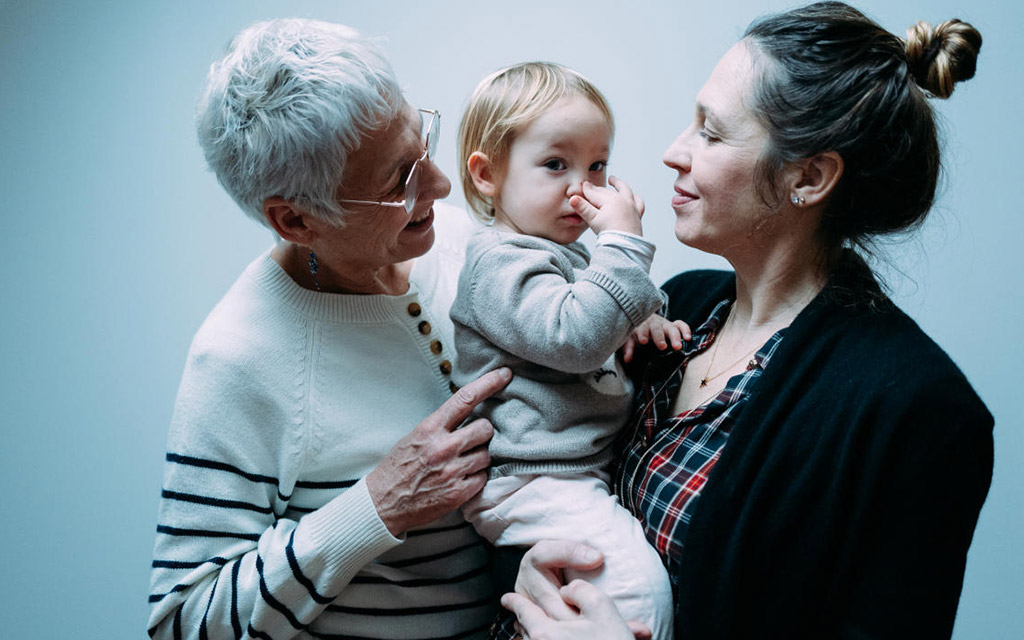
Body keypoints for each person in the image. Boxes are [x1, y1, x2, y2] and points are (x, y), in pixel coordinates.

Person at [499, 3, 993, 639]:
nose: (675, 152)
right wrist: (528, 569)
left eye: (710, 131)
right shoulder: (679, 306)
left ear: (808, 177)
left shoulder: (918, 410)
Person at [147, 19, 514, 639]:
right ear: (296, 221)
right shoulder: (238, 358)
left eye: (421, 141)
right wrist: (376, 507)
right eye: (399, 181)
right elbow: (182, 623)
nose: (441, 186)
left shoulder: (466, 243)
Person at [451, 62, 683, 638]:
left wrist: (641, 319)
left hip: (573, 470)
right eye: (556, 165)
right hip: (531, 480)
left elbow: (592, 309)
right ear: (487, 175)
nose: (583, 188)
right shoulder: (497, 263)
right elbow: (572, 336)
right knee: (637, 590)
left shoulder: (564, 254)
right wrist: (624, 243)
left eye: (597, 166)